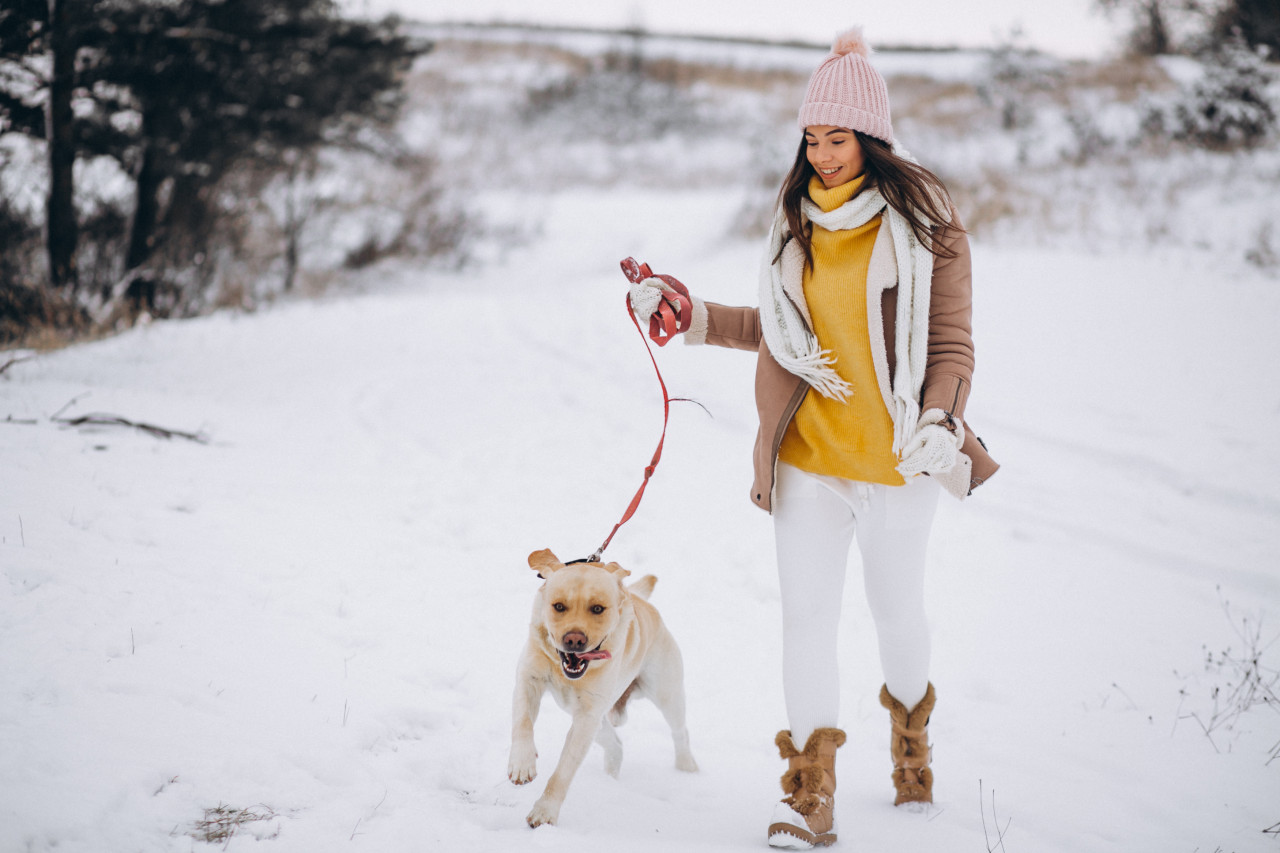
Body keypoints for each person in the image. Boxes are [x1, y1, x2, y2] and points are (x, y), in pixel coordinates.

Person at [626, 26, 999, 849]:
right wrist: (693, 318)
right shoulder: (795, 220)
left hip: (900, 457)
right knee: (806, 620)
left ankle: (910, 748)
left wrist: (941, 416)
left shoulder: (929, 223)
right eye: (811, 139)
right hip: (806, 460)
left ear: (871, 138)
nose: (822, 154)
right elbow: (783, 329)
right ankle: (809, 790)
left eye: (836, 139)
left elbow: (951, 343)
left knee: (897, 613)